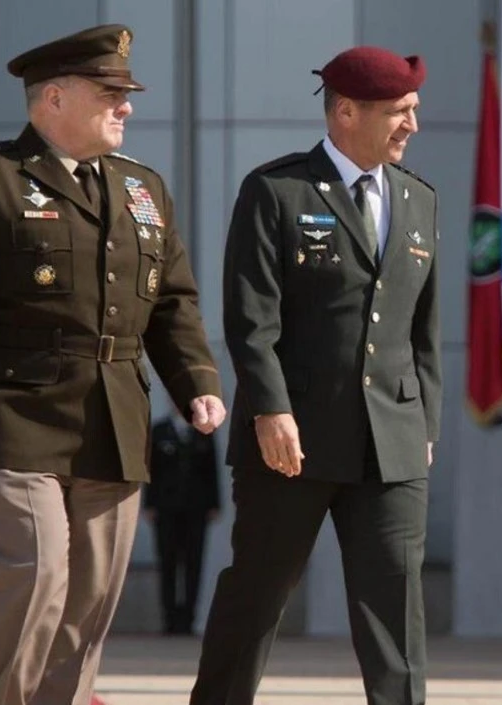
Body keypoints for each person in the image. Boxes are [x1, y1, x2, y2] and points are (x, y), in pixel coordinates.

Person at [0, 24, 225, 705]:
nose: (126, 107)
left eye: (126, 94)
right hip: (11, 416)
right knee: (35, 569)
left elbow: (173, 304)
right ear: (54, 98)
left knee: (90, 594)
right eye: (111, 94)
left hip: (113, 420)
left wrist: (198, 383)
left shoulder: (144, 191)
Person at [191, 45, 440, 705]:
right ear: (347, 112)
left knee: (396, 612)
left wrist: (426, 427)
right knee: (257, 596)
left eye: (414, 110)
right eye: (399, 112)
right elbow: (251, 321)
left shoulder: (418, 200)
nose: (412, 125)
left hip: (392, 442)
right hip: (290, 443)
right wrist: (270, 411)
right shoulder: (277, 191)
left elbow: (422, 334)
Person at [144, 402, 222, 635]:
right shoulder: (159, 431)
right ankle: (169, 619)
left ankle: (188, 620)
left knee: (193, 563)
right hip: (165, 508)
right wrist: (149, 504)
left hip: (196, 508)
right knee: (167, 562)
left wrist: (214, 504)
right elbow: (150, 470)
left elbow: (212, 470)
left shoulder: (202, 431)